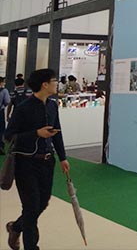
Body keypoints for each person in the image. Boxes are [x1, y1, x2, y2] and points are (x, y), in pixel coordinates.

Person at [3, 68, 70, 250]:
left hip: (47, 162)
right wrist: (36, 133)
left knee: (42, 203)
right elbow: (9, 136)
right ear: (45, 84)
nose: (57, 84)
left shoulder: (52, 105)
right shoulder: (23, 108)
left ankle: (16, 227)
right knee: (31, 207)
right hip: (26, 163)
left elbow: (57, 133)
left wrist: (63, 157)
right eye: (54, 81)